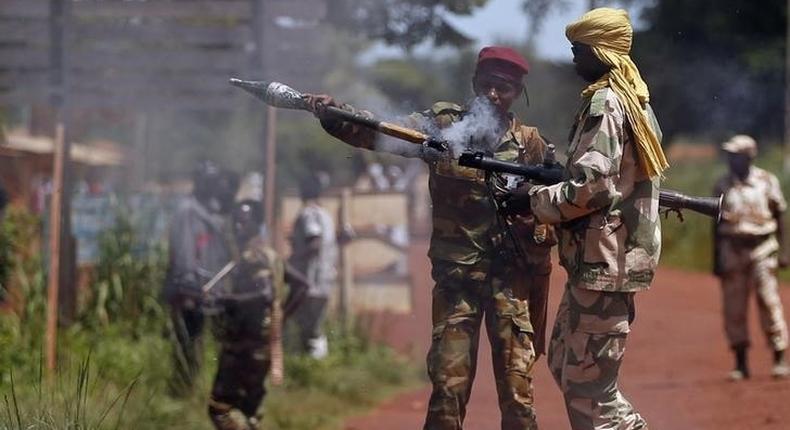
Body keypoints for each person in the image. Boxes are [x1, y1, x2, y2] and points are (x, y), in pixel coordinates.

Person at [306, 46, 554, 430]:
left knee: (518, 393)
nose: (493, 95)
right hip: (458, 282)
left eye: (503, 88)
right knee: (448, 388)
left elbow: (561, 198)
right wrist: (334, 115)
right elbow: (383, 134)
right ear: (474, 84)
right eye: (487, 85)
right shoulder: (440, 125)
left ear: (517, 91)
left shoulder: (530, 144)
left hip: (511, 280)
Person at [508, 8, 668, 430]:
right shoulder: (629, 99)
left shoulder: (607, 103)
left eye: (579, 50)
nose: (574, 58)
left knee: (589, 388)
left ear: (601, 51)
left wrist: (533, 200)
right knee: (565, 362)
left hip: (606, 264)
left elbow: (592, 188)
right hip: (601, 263)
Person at [208, 199, 309, 430]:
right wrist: (281, 316)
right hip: (262, 344)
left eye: (244, 222)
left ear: (257, 224)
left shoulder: (253, 257)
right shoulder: (271, 255)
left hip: (245, 344)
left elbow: (264, 293)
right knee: (250, 412)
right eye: (236, 223)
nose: (238, 228)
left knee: (220, 409)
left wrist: (227, 300)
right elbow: (302, 286)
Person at [713, 134, 790, 381]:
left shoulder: (766, 181)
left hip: (762, 249)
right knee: (733, 307)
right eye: (730, 155)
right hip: (732, 249)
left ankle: (779, 358)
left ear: (749, 157)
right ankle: (740, 363)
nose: (731, 160)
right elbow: (714, 224)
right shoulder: (722, 185)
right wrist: (716, 258)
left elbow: (780, 216)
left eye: (736, 155)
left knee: (769, 301)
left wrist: (785, 251)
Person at [164, 161, 239, 394]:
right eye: (208, 180)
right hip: (191, 289)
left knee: (207, 341)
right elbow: (186, 252)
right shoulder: (188, 211)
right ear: (199, 182)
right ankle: (184, 389)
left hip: (210, 289)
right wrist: (188, 288)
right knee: (189, 342)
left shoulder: (209, 210)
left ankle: (201, 388)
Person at [288, 171, 338, 359]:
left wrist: (292, 259)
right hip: (324, 280)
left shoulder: (308, 213)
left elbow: (314, 242)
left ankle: (309, 365)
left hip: (309, 280)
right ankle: (316, 364)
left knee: (305, 326)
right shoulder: (325, 215)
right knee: (316, 327)